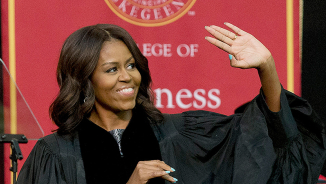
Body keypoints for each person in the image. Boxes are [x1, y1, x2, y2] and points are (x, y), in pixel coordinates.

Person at [17, 23, 325, 184]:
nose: (127, 77)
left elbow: (270, 142)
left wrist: (267, 68)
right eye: (112, 70)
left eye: (132, 65)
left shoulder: (184, 134)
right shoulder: (54, 156)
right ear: (84, 80)